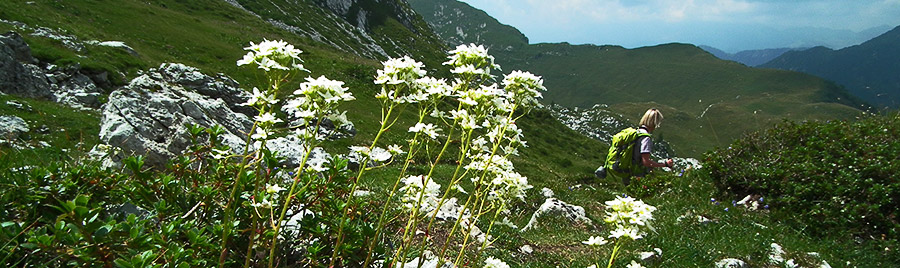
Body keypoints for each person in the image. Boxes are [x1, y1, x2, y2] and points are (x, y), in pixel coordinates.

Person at [628, 108, 674, 185]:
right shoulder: (646, 138)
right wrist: (665, 164)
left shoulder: (636, 132)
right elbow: (646, 162)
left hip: (628, 171)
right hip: (636, 174)